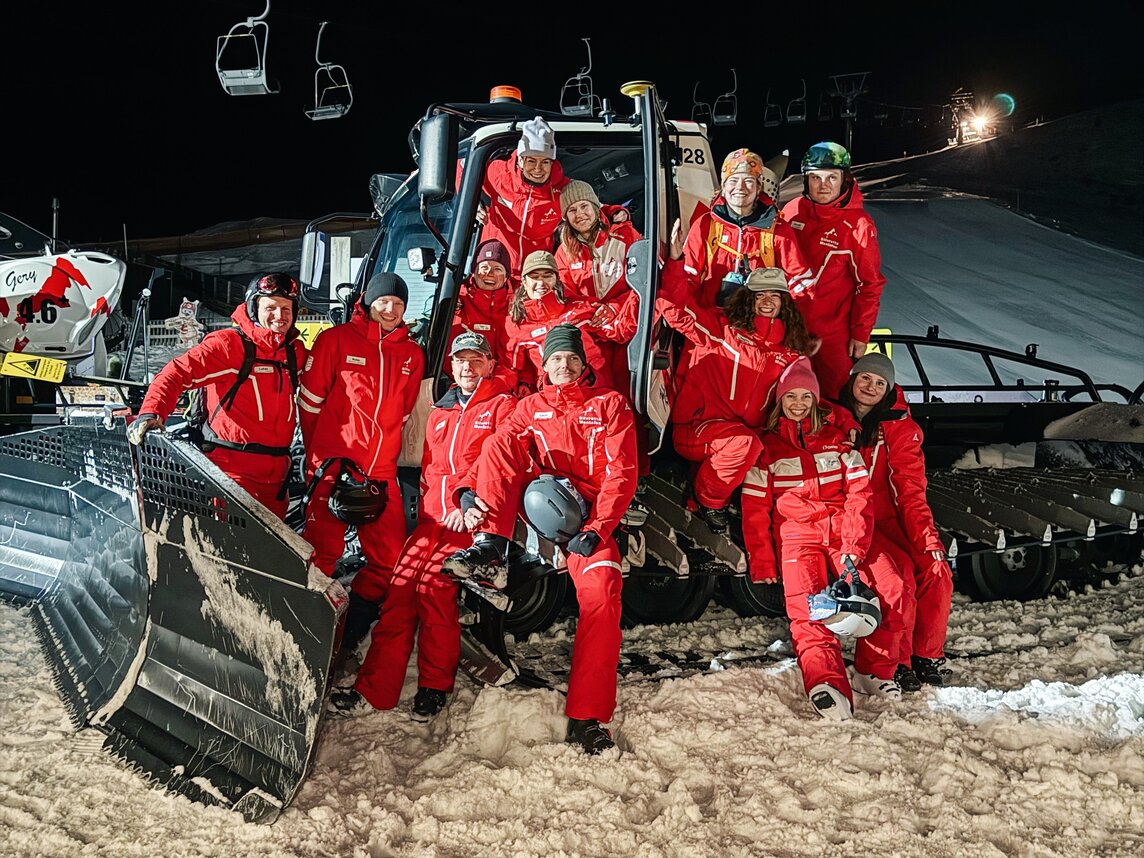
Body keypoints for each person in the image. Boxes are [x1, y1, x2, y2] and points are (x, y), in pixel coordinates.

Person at [443, 324, 637, 755]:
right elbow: (497, 449)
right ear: (544, 365)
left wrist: (597, 529)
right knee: (499, 444)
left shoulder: (609, 404)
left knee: (603, 597)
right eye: (555, 359)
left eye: (571, 358)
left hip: (588, 521)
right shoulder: (532, 406)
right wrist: (466, 489)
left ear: (583, 364)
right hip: (542, 506)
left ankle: (586, 720)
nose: (563, 365)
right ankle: (489, 547)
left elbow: (622, 474)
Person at [328, 332, 517, 720]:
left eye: (477, 360)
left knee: (434, 592)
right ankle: (374, 690)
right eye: (461, 360)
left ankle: (434, 687)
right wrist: (437, 502)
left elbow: (501, 459)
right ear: (451, 365)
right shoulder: (441, 413)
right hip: (433, 520)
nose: (468, 367)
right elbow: (432, 470)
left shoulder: (502, 406)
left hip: (470, 521)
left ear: (490, 365)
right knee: (398, 593)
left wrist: (467, 500)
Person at [741, 357, 891, 721]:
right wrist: (762, 561)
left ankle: (883, 670)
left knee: (884, 592)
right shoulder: (767, 450)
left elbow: (860, 494)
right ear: (780, 401)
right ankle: (828, 685)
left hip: (842, 531)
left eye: (805, 397)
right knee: (808, 614)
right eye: (790, 397)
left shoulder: (838, 441)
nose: (798, 404)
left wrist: (853, 548)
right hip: (797, 537)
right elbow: (754, 510)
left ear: (815, 401)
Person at [298, 272, 426, 656]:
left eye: (399, 304)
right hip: (335, 468)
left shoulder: (412, 354)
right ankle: (308, 633)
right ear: (369, 302)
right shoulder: (335, 340)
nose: (390, 309)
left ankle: (351, 627)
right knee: (322, 555)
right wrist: (320, 458)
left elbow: (403, 414)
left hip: (381, 473)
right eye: (383, 301)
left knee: (389, 560)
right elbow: (310, 405)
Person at [659, 220, 814, 535]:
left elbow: (804, 401)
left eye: (776, 295)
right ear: (749, 298)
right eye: (760, 295)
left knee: (773, 450)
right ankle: (708, 501)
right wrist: (675, 263)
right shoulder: (721, 331)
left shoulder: (790, 353)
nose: (768, 301)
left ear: (786, 303)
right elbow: (674, 310)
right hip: (697, 430)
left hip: (744, 438)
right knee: (744, 444)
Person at [127, 273, 305, 520]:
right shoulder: (229, 345)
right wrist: (151, 412)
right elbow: (175, 373)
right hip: (231, 473)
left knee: (270, 554)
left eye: (286, 308)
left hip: (277, 478)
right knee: (233, 550)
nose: (280, 316)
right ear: (253, 308)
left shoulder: (294, 354)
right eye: (271, 307)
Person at [835, 352, 954, 690]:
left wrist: (927, 540)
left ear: (888, 390)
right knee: (897, 581)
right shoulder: (833, 418)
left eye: (879, 382)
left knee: (935, 570)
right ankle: (889, 663)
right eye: (865, 378)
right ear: (852, 379)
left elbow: (910, 489)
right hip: (852, 522)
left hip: (887, 519)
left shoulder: (898, 426)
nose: (870, 386)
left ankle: (924, 655)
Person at [782, 141, 886, 402]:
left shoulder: (858, 224)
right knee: (788, 396)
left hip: (833, 337)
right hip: (788, 329)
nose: (823, 185)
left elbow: (870, 285)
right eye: (815, 177)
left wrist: (860, 335)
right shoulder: (793, 210)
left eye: (832, 177)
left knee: (835, 399)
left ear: (845, 180)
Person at [681, 147, 812, 310]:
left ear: (758, 188)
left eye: (749, 181)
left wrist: (788, 325)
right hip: (712, 327)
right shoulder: (705, 226)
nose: (740, 188)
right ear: (723, 186)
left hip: (758, 329)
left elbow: (800, 282)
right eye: (733, 180)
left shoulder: (777, 230)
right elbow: (686, 279)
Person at [504, 250, 612, 395]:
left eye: (547, 276)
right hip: (550, 397)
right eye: (534, 277)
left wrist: (613, 308)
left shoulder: (580, 307)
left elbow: (620, 327)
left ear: (557, 279)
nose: (541, 283)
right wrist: (526, 382)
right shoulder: (516, 323)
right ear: (524, 281)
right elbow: (515, 365)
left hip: (594, 390)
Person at [480, 116, 569, 276]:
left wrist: (615, 213)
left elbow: (589, 204)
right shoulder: (499, 174)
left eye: (545, 162)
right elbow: (462, 168)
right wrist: (474, 203)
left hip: (534, 273)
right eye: (531, 161)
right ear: (520, 160)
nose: (538, 169)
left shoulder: (562, 189)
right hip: (495, 266)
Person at [447, 238, 514, 376]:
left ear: (507, 276)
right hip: (459, 381)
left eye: (497, 269)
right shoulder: (456, 301)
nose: (489, 273)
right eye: (484, 267)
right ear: (474, 271)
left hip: (502, 384)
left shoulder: (517, 307)